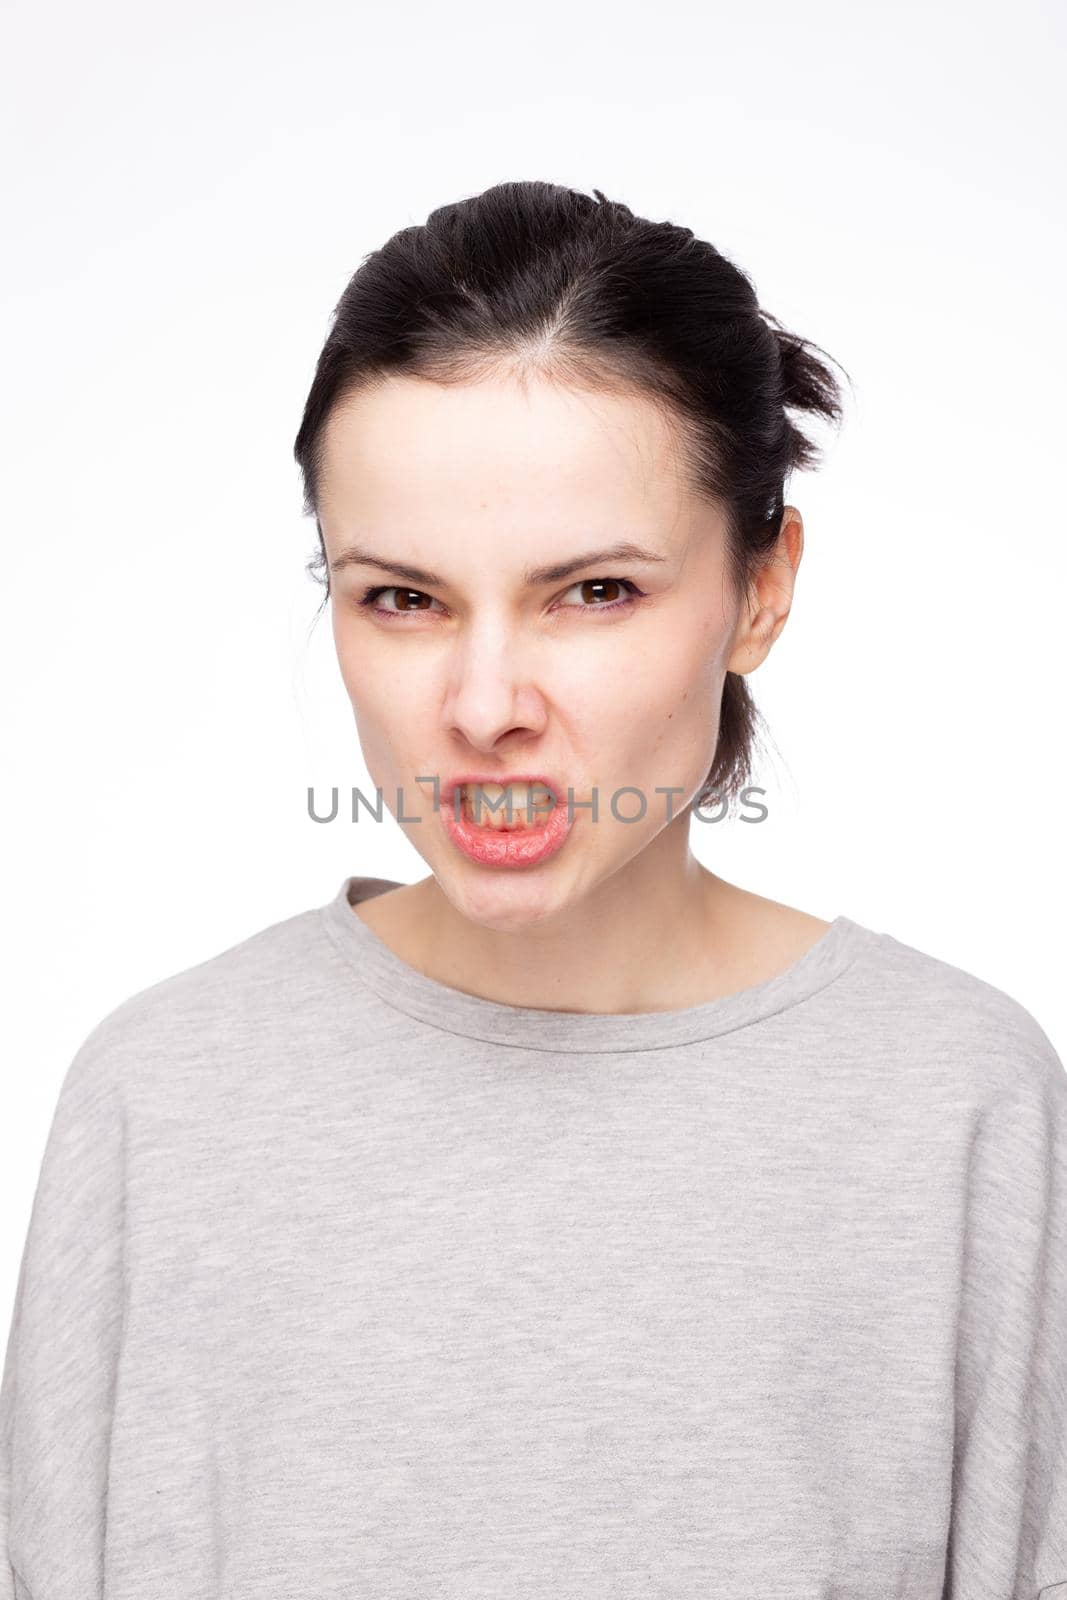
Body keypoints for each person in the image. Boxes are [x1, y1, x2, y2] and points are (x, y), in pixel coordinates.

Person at [1, 180, 1064, 1600]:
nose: (485, 705)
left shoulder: (957, 1103)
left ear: (760, 590)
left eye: (594, 592)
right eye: (402, 598)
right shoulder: (164, 1097)